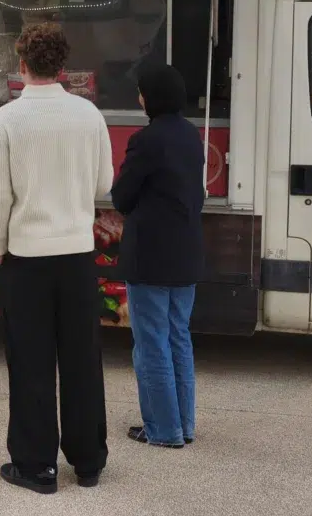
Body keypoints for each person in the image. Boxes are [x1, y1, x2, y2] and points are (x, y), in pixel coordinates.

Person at [0, 22, 114, 495]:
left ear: (21, 65)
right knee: (82, 359)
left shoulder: (8, 119)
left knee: (31, 362)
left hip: (26, 256)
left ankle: (36, 466)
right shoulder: (88, 115)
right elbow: (104, 185)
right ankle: (89, 461)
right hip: (77, 253)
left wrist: (0, 246)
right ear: (63, 66)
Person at [111, 63, 205, 449]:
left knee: (151, 343)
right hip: (185, 252)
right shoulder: (191, 135)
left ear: (150, 97)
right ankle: (184, 425)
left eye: (141, 91)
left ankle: (162, 430)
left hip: (150, 256)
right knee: (178, 338)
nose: (138, 97)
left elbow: (122, 197)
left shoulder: (146, 140)